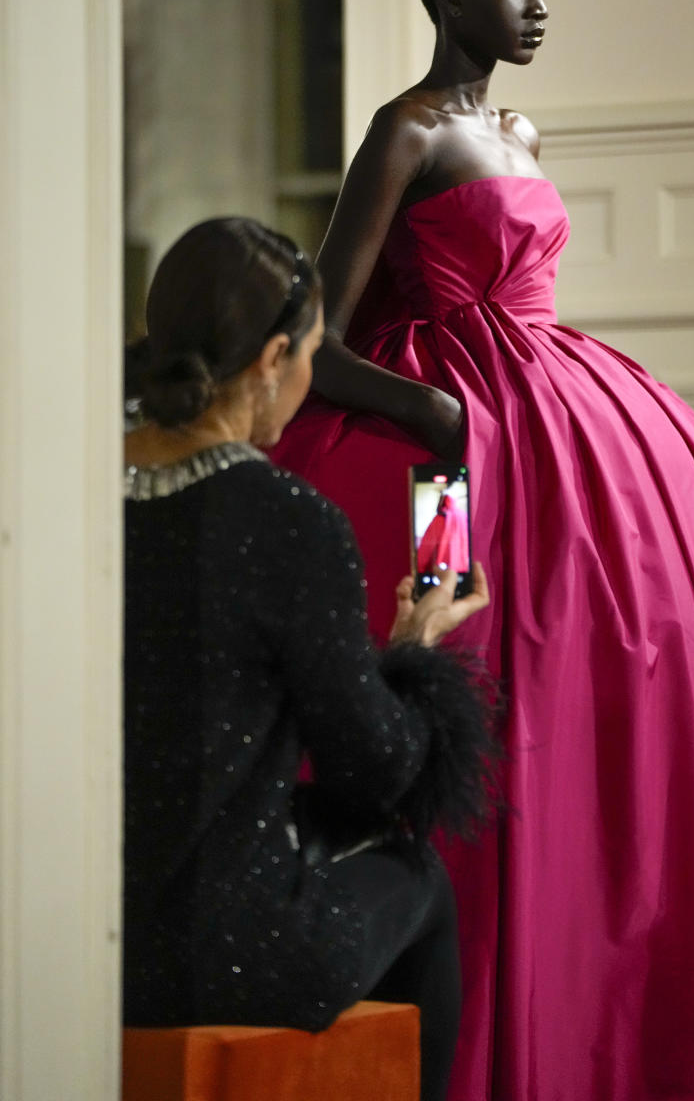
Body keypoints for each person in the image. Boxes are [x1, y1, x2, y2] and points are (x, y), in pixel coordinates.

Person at [271, 0, 694, 1101]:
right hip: (451, 458)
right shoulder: (404, 132)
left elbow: (526, 298)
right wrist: (438, 417)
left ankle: (656, 1004)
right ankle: (498, 1011)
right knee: (468, 655)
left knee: (661, 665)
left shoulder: (525, 129)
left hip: (570, 426)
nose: (541, 6)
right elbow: (315, 339)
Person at [123, 217, 497, 1101]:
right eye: (313, 359)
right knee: (419, 878)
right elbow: (375, 772)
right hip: (216, 951)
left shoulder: (67, 495)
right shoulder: (288, 519)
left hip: (64, 932)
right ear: (272, 360)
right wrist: (410, 655)